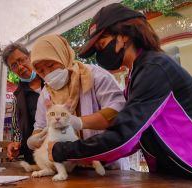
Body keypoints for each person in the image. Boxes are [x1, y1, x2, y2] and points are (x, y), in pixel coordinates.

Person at [47, 3, 192, 187]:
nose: (100, 55)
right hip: (176, 175)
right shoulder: (137, 74)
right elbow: (137, 137)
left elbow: (124, 136)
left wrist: (62, 151)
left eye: (102, 45)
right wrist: (96, 158)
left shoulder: (155, 68)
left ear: (124, 36)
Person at [26, 34, 129, 169]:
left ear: (62, 55)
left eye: (51, 65)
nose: (48, 73)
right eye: (41, 71)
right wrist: (35, 139)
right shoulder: (45, 94)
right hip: (70, 168)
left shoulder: (94, 75)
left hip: (105, 164)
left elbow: (117, 112)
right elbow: (40, 125)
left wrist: (79, 122)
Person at [2, 43, 44, 165]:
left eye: (21, 60)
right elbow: (17, 130)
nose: (20, 67)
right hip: (35, 160)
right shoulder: (17, 97)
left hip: (62, 152)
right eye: (14, 65)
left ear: (30, 57)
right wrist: (16, 145)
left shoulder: (50, 82)